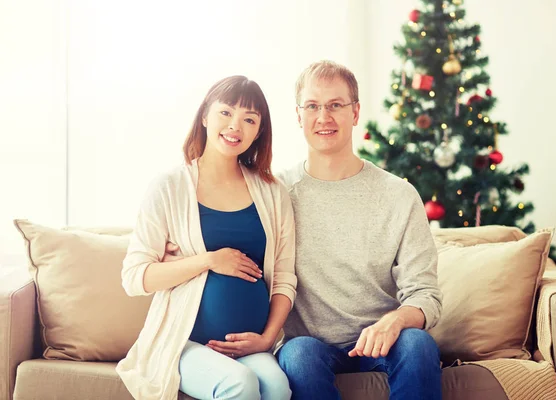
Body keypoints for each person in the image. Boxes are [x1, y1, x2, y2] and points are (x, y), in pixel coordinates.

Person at [116, 75, 297, 400]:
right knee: (239, 384)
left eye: (249, 119)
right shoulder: (169, 187)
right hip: (183, 342)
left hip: (250, 345)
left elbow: (284, 277)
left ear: (259, 131)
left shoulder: (272, 192)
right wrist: (209, 260)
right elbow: (134, 278)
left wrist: (268, 338)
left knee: (277, 387)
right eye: (226, 113)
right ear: (204, 116)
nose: (235, 126)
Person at [275, 60, 443, 400]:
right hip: (310, 346)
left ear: (355, 112)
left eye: (336, 105)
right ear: (298, 116)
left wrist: (395, 321)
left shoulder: (398, 195)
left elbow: (425, 294)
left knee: (418, 344)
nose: (323, 117)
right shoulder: (276, 194)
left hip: (384, 341)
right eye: (312, 106)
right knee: (298, 356)